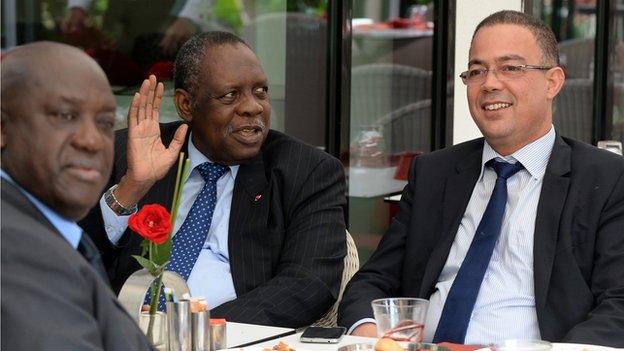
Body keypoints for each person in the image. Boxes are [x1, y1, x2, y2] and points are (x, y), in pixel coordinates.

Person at [338, 10, 624, 347]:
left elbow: (618, 304)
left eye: (510, 68)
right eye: (477, 71)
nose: (489, 83)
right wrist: (374, 337)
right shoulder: (434, 173)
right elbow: (372, 281)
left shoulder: (605, 179)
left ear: (553, 82)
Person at [80, 31, 347, 328]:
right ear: (186, 105)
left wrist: (196, 331)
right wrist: (133, 187)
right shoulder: (131, 152)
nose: (253, 107)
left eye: (260, 91)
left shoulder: (307, 171)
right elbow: (67, 254)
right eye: (230, 95)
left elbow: (309, 283)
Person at [1, 42, 154, 350]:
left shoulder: (42, 226)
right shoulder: (16, 245)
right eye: (65, 115)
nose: (92, 141)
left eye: (105, 123)